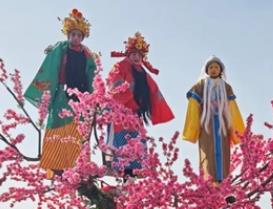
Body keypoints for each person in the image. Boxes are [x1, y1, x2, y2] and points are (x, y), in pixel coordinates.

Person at [24, 9, 96, 178]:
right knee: (57, 124)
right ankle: (56, 165)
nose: (76, 38)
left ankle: (78, 167)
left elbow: (92, 76)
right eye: (73, 34)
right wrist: (51, 52)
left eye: (79, 35)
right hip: (62, 95)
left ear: (83, 37)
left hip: (82, 98)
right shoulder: (60, 49)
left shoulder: (88, 55)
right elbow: (52, 66)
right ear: (68, 35)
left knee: (79, 130)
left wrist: (93, 97)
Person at [108, 32, 174, 173]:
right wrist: (129, 88)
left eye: (139, 55)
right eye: (133, 54)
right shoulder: (119, 66)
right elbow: (115, 88)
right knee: (122, 145)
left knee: (138, 146)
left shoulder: (142, 72)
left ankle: (133, 176)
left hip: (136, 114)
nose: (136, 57)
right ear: (128, 54)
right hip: (121, 113)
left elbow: (154, 90)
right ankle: (124, 175)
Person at [183, 56, 245, 182]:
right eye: (211, 67)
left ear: (220, 70)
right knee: (208, 151)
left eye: (216, 67)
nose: (213, 69)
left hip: (223, 125)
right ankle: (208, 181)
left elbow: (233, 109)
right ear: (207, 70)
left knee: (223, 152)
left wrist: (238, 132)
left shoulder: (226, 87)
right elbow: (193, 103)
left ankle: (223, 182)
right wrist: (193, 127)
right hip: (207, 124)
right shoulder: (201, 85)